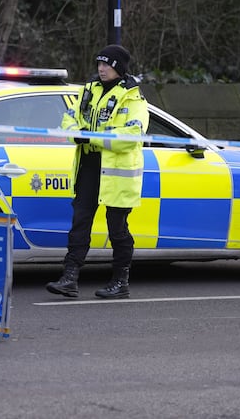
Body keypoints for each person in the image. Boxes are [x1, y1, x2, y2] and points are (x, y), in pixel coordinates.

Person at [46, 44, 149, 299]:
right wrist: (76, 134)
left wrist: (90, 137)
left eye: (107, 64)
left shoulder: (133, 97)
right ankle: (69, 277)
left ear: (119, 68)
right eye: (99, 64)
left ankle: (120, 281)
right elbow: (69, 118)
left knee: (117, 228)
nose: (101, 69)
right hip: (89, 166)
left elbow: (132, 134)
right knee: (80, 222)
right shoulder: (89, 89)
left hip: (117, 170)